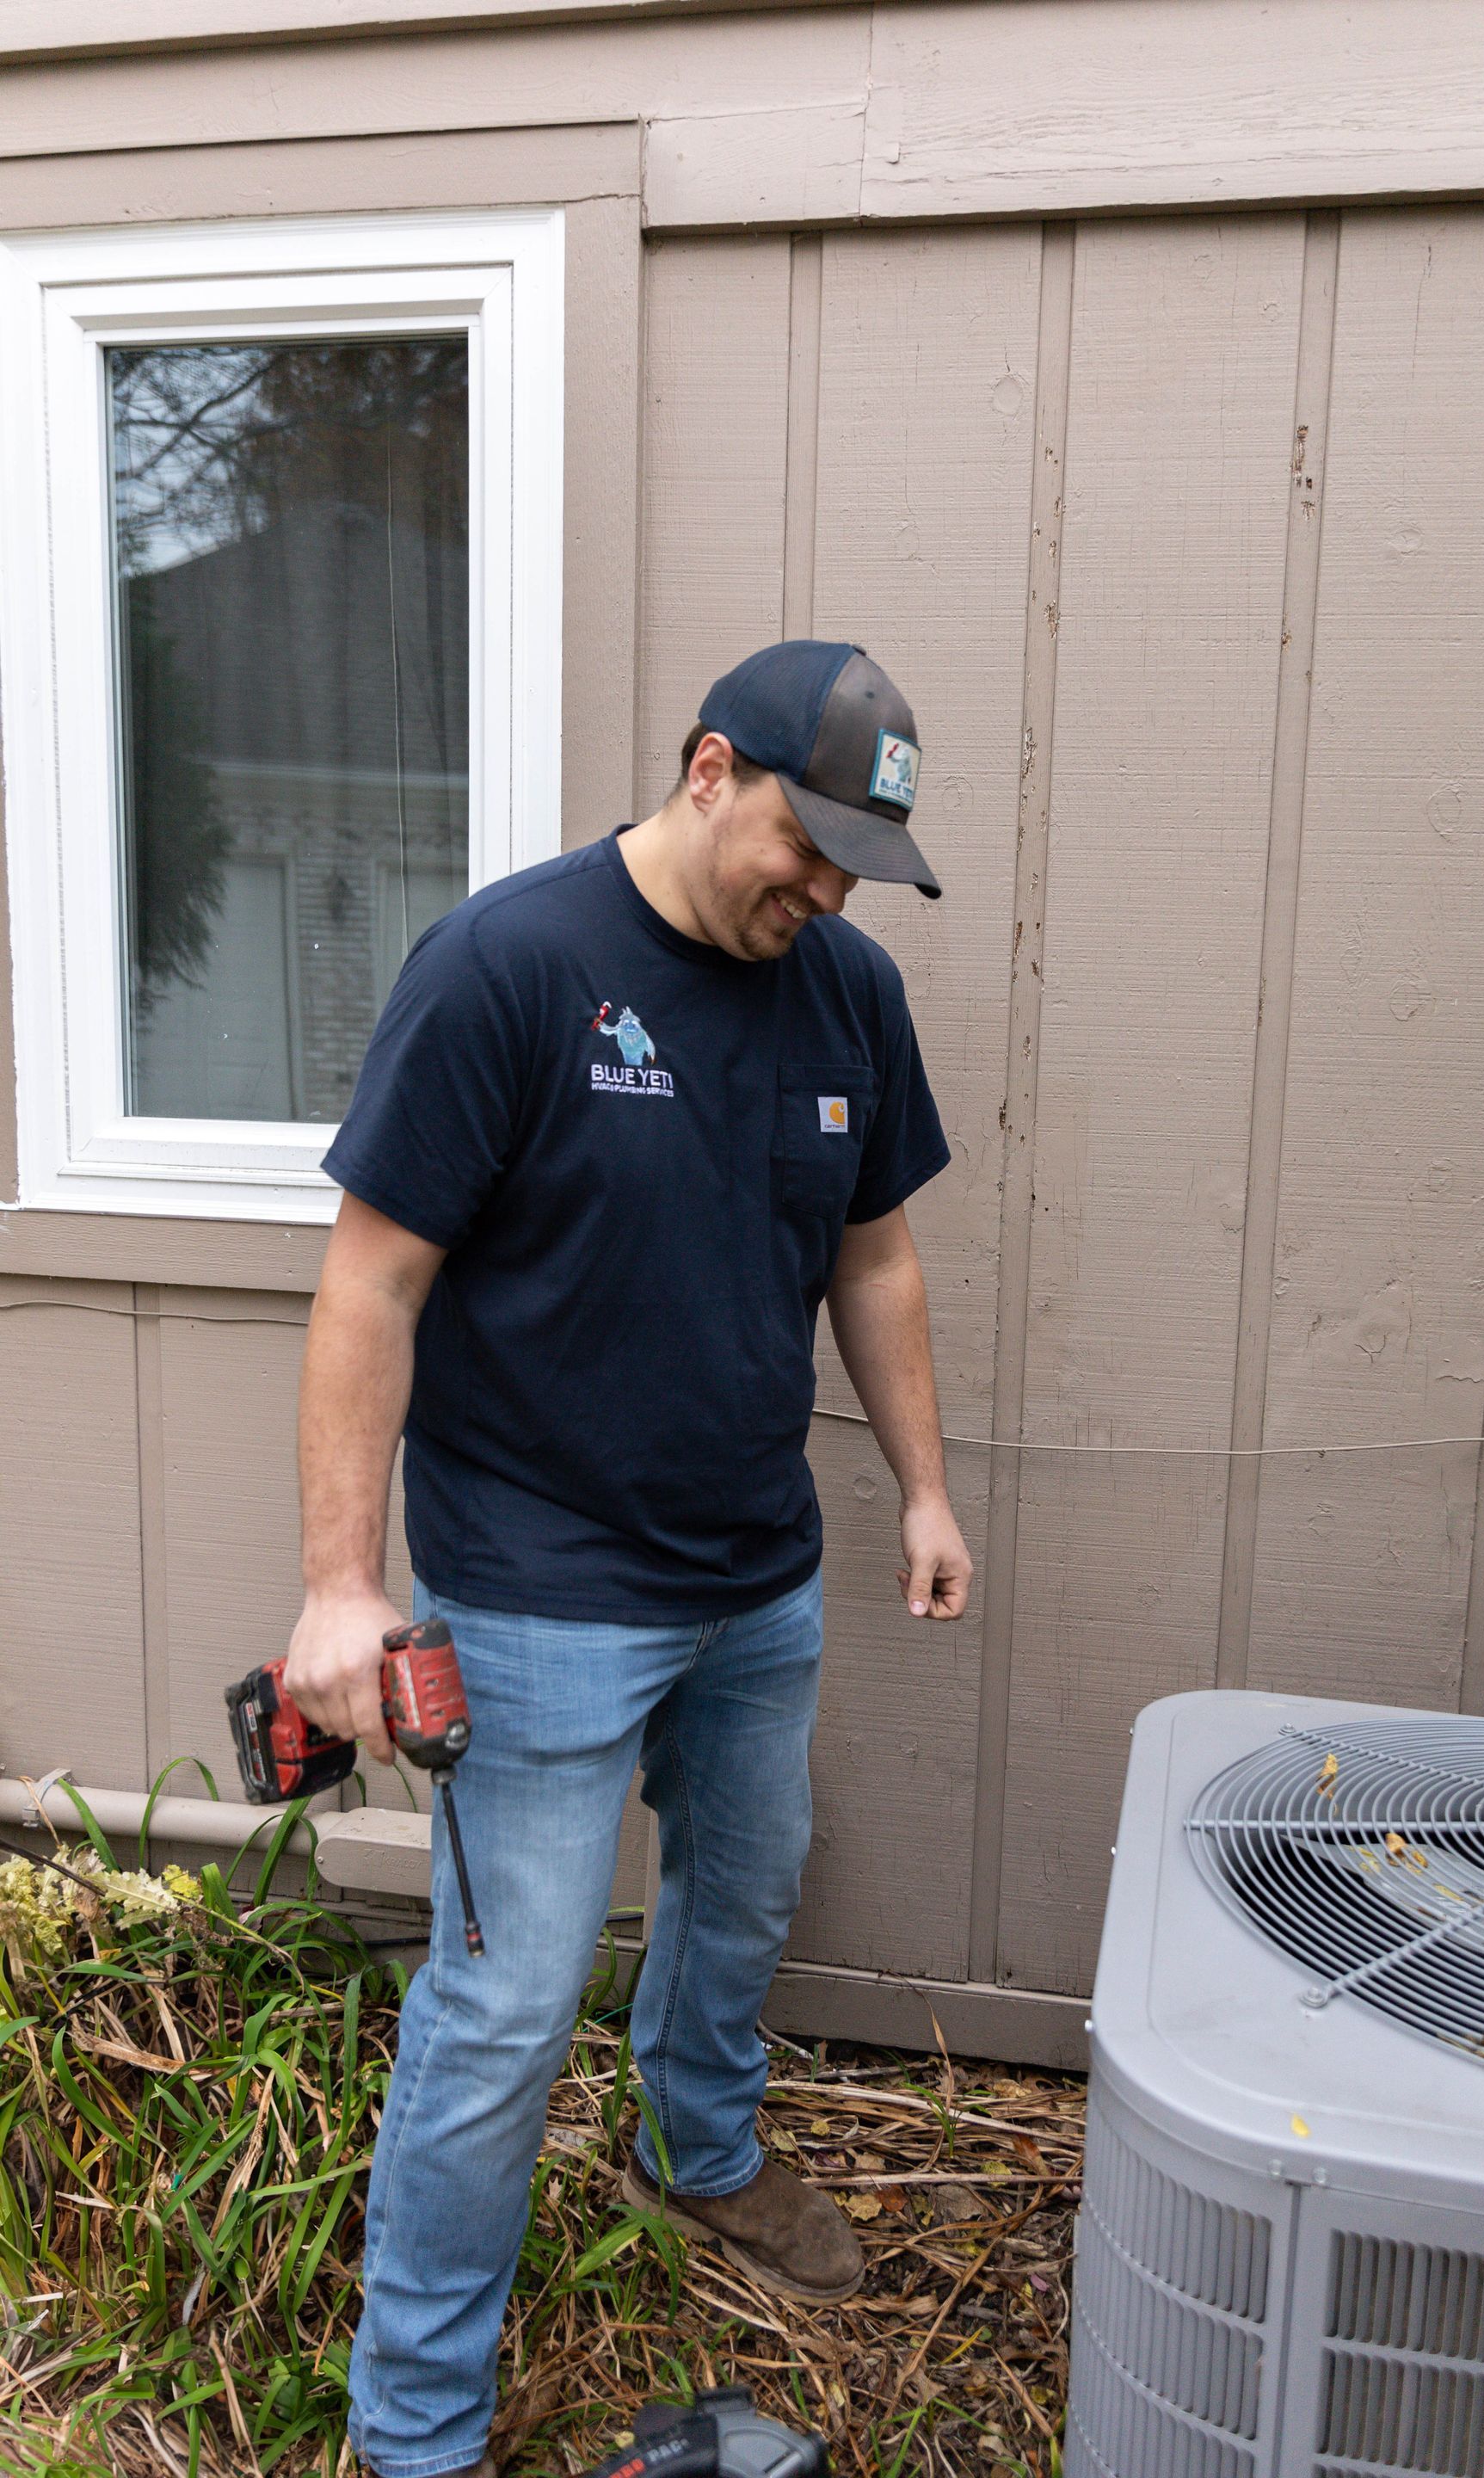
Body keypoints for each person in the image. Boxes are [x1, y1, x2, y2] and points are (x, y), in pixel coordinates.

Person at [285, 640, 973, 2478]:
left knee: (744, 1891)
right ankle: (416, 2426)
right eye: (806, 844)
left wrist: (922, 1488)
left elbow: (876, 1256)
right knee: (507, 2009)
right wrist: (344, 1584)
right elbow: (372, 1284)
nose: (824, 893)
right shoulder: (511, 968)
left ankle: (700, 2148)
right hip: (536, 1593)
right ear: (707, 768)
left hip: (756, 1573)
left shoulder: (848, 992)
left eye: (858, 867)